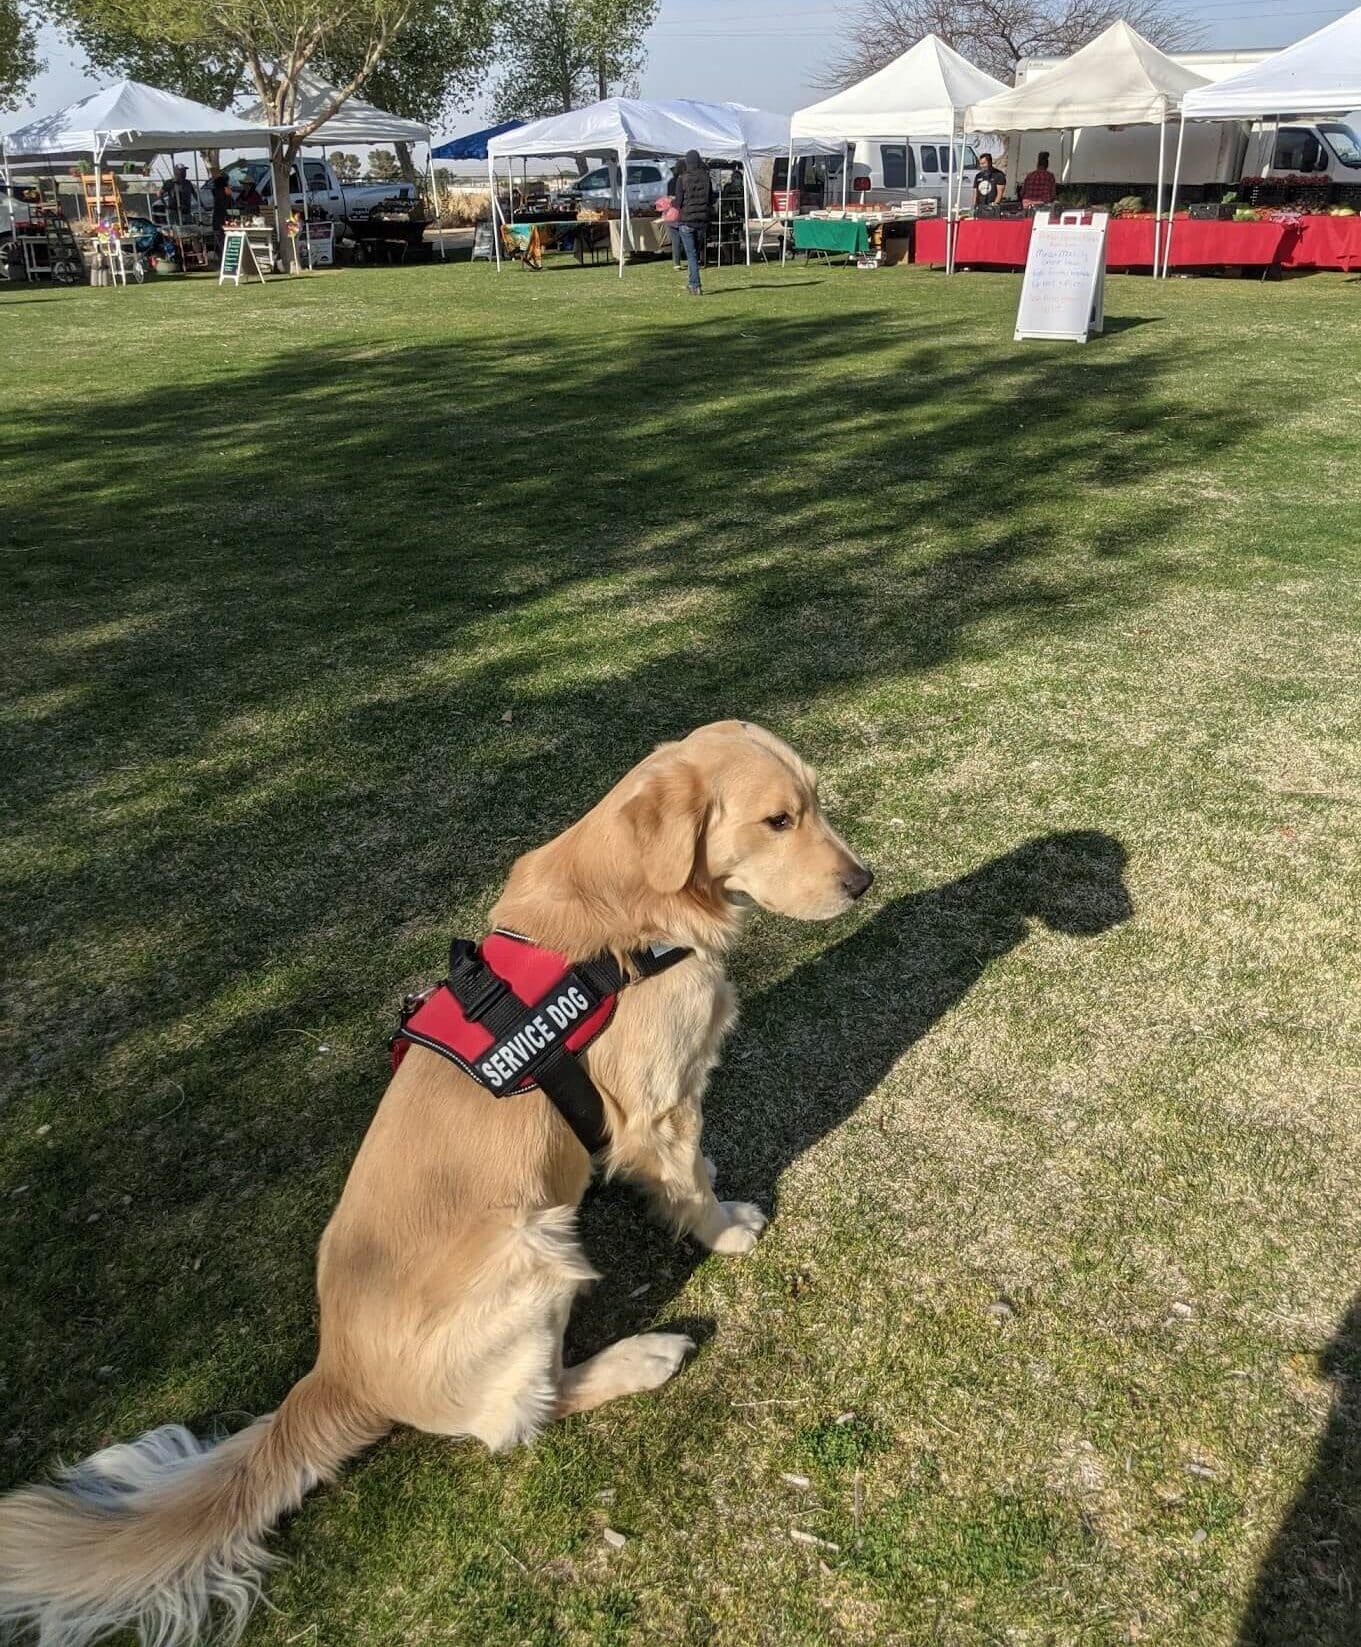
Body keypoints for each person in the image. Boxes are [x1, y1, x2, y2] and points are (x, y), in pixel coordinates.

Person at [674, 147, 712, 296]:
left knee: (691, 254)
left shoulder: (682, 179)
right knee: (695, 253)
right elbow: (710, 199)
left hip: (687, 221)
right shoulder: (706, 177)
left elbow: (678, 202)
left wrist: (672, 204)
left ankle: (695, 284)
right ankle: (693, 282)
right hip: (702, 221)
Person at [667, 155, 687, 270]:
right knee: (686, 237)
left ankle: (676, 262)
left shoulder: (671, 182)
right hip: (682, 212)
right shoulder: (685, 181)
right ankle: (690, 258)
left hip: (672, 213)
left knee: (675, 239)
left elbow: (669, 198)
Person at [210, 170, 232, 256]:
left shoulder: (216, 191)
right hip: (223, 217)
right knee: (222, 237)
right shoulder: (224, 191)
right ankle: (224, 253)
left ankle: (223, 254)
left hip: (219, 217)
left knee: (220, 237)